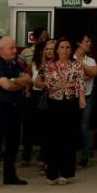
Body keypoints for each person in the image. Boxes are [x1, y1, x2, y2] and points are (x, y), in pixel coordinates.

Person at [36, 38, 85, 185]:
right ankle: (52, 174)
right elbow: (43, 83)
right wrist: (57, 84)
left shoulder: (76, 65)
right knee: (54, 138)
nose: (64, 50)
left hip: (71, 102)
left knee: (69, 138)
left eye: (67, 47)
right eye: (62, 47)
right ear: (57, 50)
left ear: (71, 50)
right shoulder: (49, 65)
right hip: (54, 102)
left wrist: (82, 98)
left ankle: (66, 173)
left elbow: (80, 83)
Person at [0, 36, 31, 191]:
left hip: (15, 107)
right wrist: (18, 82)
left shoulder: (16, 63)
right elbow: (6, 86)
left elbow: (28, 79)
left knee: (13, 143)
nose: (14, 50)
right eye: (11, 48)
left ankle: (10, 175)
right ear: (1, 50)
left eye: (14, 47)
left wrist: (15, 81)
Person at [21, 39, 53, 168]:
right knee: (29, 126)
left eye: (52, 49)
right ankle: (26, 156)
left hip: (48, 96)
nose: (49, 51)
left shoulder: (56, 64)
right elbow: (29, 78)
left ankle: (43, 157)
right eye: (47, 49)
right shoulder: (35, 63)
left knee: (45, 127)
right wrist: (28, 89)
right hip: (34, 95)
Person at [75, 35, 97, 168]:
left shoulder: (91, 60)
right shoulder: (68, 58)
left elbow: (93, 73)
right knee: (72, 124)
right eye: (86, 41)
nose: (89, 43)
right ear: (78, 43)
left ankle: (85, 155)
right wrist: (82, 74)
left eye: (90, 41)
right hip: (71, 96)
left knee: (85, 124)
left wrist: (78, 64)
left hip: (88, 95)